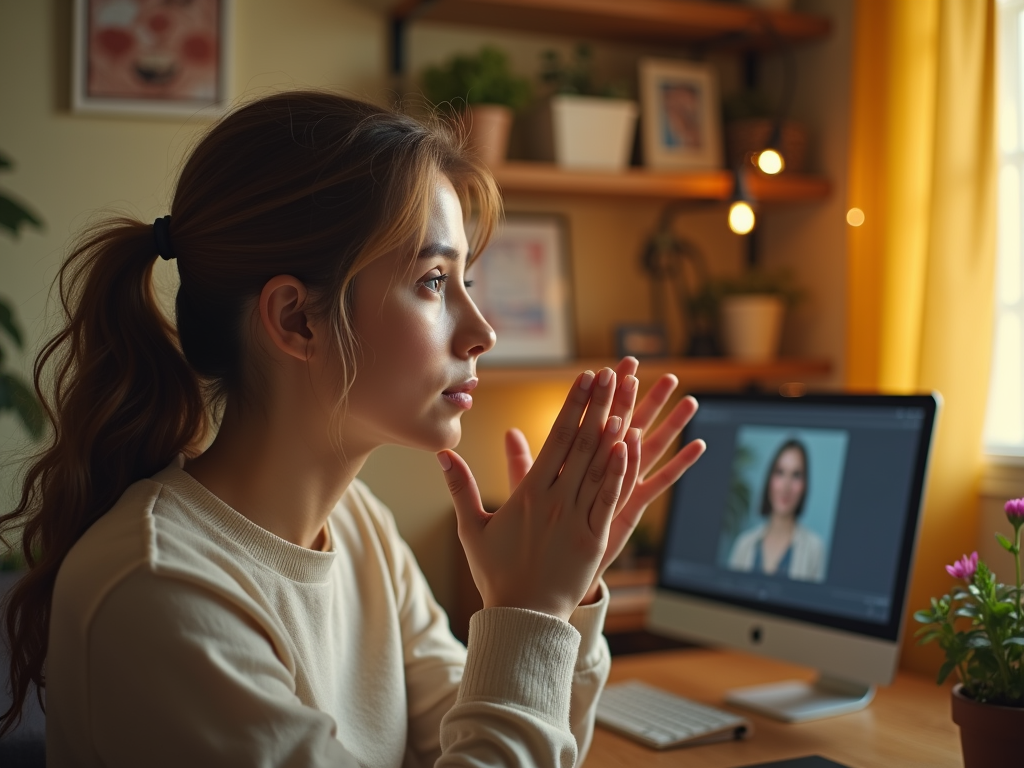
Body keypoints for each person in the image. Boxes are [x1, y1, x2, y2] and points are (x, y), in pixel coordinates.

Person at [0, 92, 706, 767]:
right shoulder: (159, 591)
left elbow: (495, 746)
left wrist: (563, 598)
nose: (482, 331)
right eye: (434, 280)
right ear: (295, 320)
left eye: (467, 282)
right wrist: (528, 612)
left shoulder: (361, 526)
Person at [727, 439, 826, 583]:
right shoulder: (743, 544)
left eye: (796, 475)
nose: (786, 487)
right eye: (780, 472)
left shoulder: (815, 549)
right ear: (770, 479)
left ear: (805, 486)